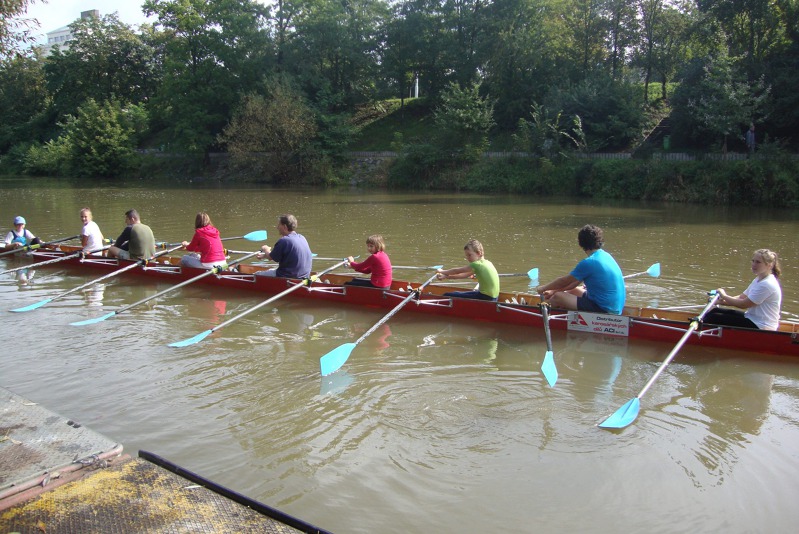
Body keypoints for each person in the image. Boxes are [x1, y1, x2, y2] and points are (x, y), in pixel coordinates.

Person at [536, 224, 625, 315]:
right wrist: (553, 291)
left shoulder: (589, 262)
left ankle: (538, 312)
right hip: (615, 307)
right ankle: (551, 307)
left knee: (558, 296)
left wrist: (543, 288)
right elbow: (573, 284)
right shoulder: (606, 255)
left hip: (605, 310)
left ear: (581, 243)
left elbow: (564, 281)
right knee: (572, 291)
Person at [705, 249, 782, 330]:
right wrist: (720, 302)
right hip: (752, 318)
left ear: (769, 265)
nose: (753, 265)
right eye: (753, 261)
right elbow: (741, 297)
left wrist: (724, 296)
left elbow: (743, 304)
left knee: (715, 317)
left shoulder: (767, 284)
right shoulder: (759, 279)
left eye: (758, 262)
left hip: (762, 326)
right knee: (715, 311)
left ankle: (699, 333)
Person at [256, 214, 312, 278]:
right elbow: (277, 256)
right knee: (271, 270)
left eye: (279, 225)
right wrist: (263, 256)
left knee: (256, 275)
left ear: (285, 226)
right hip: (304, 277)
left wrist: (265, 249)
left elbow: (270, 257)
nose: (277, 227)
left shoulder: (284, 241)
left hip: (288, 277)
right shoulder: (302, 237)